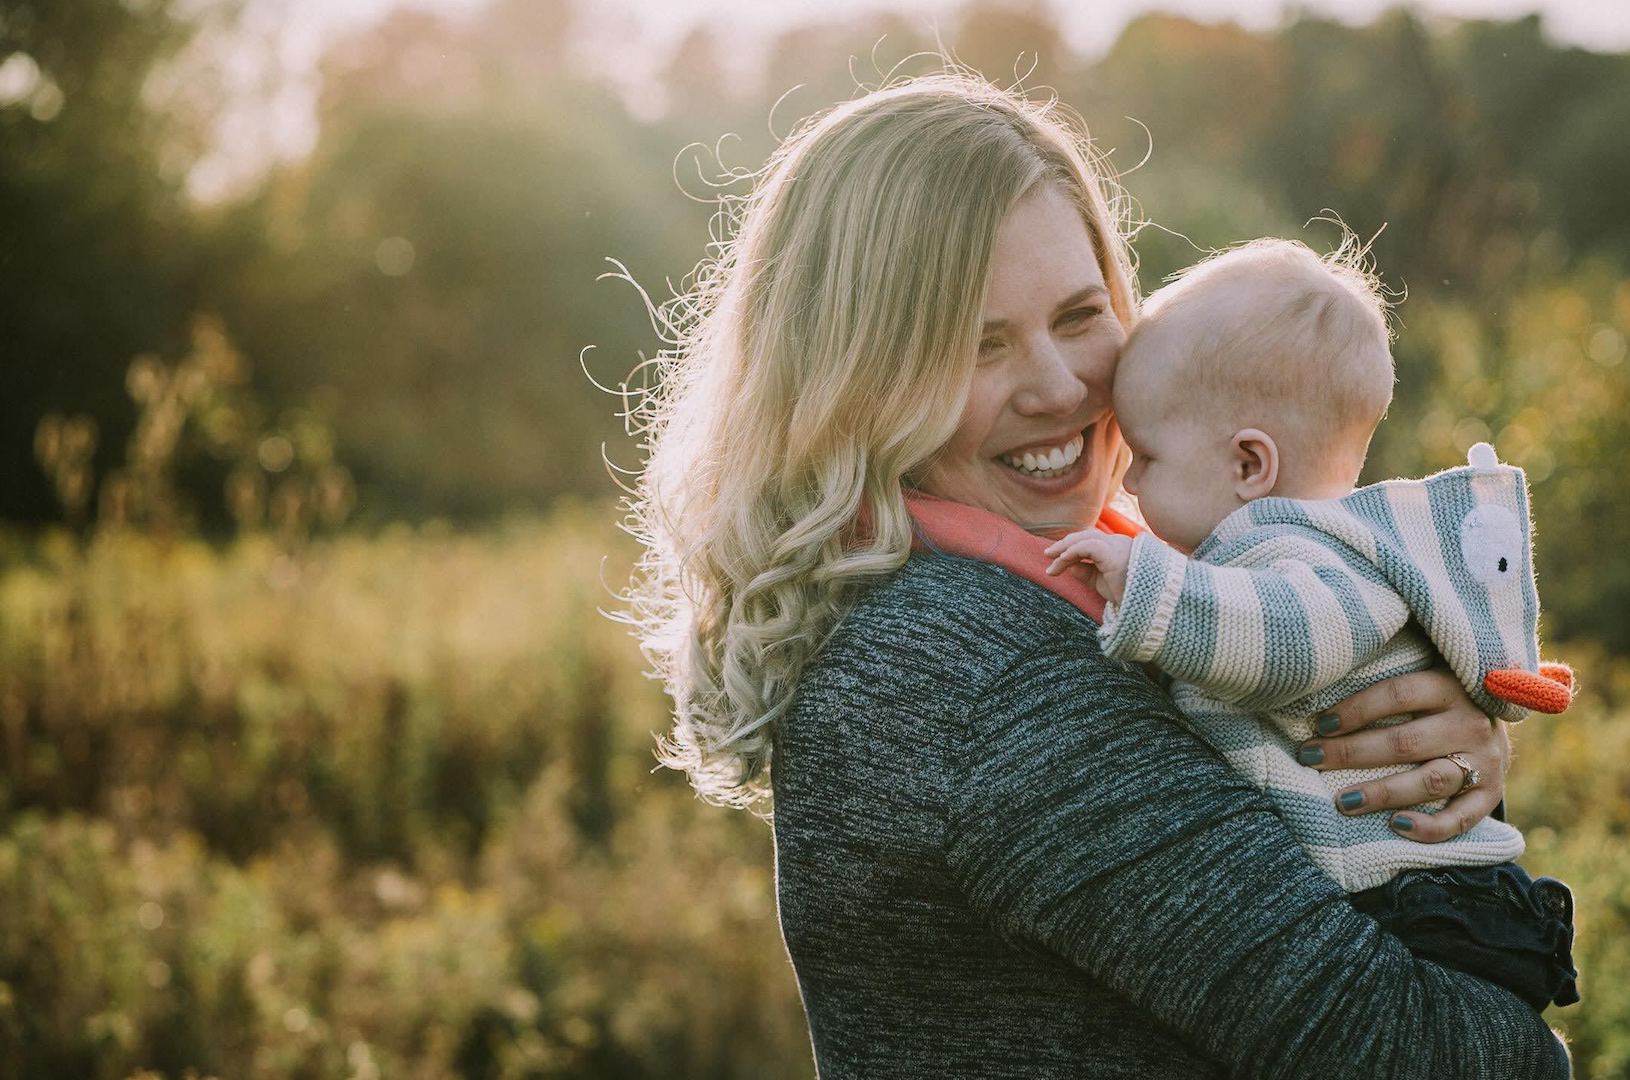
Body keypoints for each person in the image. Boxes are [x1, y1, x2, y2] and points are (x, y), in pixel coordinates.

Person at [623, 71, 1571, 1077]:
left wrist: (1416, 759)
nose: (1059, 384)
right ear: (859, 379)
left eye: (1079, 315)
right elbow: (1427, 1055)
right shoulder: (978, 671)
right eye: (976, 345)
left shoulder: (1087, 586)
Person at [1040, 238, 1580, 1012]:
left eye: (1148, 457)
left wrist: (1143, 584)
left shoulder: (1300, 552)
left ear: (1249, 465)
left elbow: (1286, 643)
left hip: (1420, 909)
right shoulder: (1267, 552)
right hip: (1400, 901)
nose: (1127, 481)